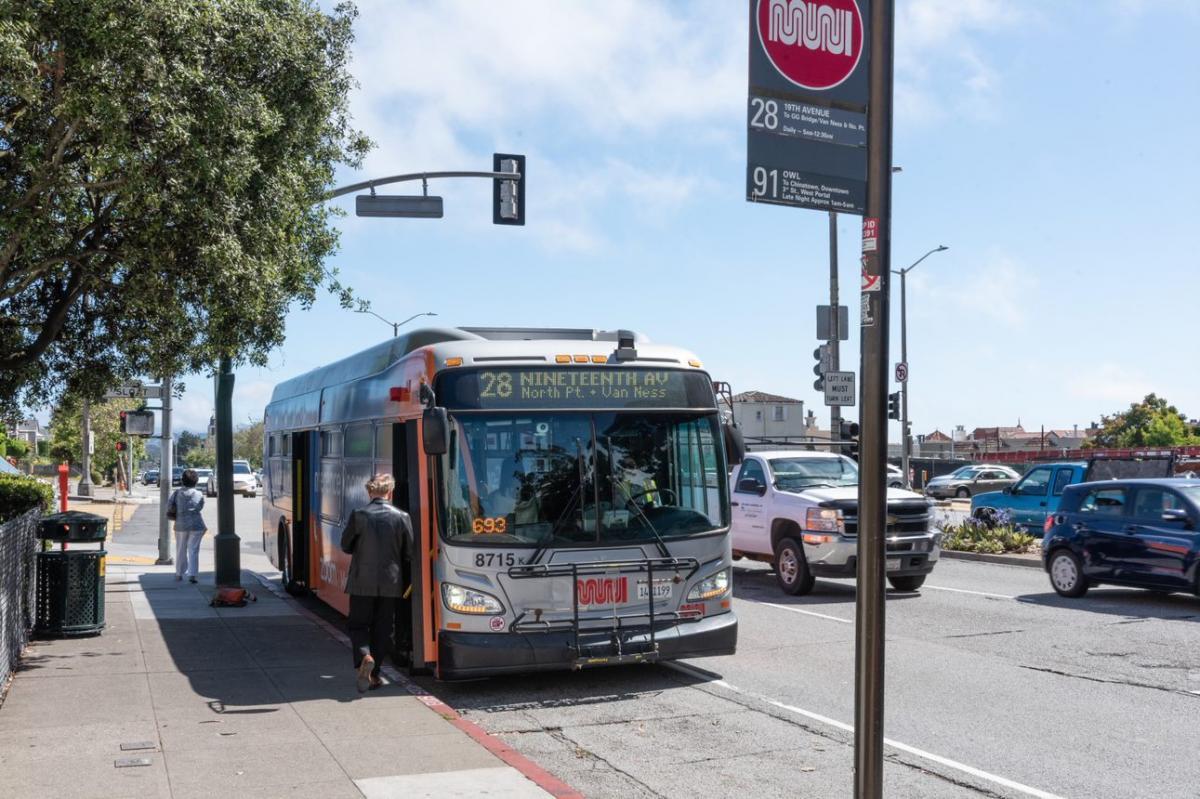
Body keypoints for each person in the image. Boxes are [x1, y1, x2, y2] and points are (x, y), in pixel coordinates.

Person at [340, 473, 413, 693]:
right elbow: (409, 552)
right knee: (383, 628)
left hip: (362, 580)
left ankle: (365, 656)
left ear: (369, 492)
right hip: (391, 582)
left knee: (358, 624)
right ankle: (375, 673)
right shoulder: (402, 516)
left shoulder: (359, 515)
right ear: (390, 492)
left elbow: (345, 545)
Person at [170, 469, 207, 584]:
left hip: (181, 525)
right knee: (194, 550)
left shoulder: (176, 493)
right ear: (196, 481)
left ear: (182, 481)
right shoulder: (199, 494)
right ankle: (193, 575)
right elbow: (200, 507)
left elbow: (169, 506)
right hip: (197, 525)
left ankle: (179, 574)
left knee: (180, 549)